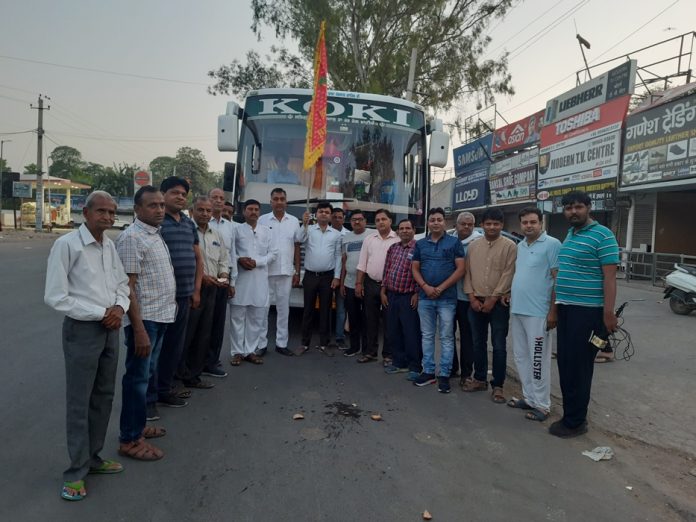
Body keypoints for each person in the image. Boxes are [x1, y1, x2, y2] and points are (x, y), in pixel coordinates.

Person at [44, 190, 130, 501]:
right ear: (86, 212)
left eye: (112, 212)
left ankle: (93, 458)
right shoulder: (67, 245)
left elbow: (122, 284)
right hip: (83, 330)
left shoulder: (109, 246)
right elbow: (56, 296)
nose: (107, 217)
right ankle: (75, 472)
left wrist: (119, 308)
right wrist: (101, 314)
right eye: (102, 211)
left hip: (110, 328)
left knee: (104, 395)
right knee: (80, 401)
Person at [550, 191, 619, 438]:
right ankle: (570, 415)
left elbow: (610, 278)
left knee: (579, 367)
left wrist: (608, 314)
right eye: (568, 208)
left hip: (588, 312)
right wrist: (556, 309)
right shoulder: (571, 234)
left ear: (589, 208)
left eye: (578, 207)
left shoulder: (603, 236)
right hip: (567, 309)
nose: (573, 212)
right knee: (566, 363)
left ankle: (576, 422)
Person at [115, 186, 175, 462]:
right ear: (137, 209)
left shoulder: (153, 233)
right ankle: (129, 439)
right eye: (153, 205)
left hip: (160, 316)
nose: (160, 209)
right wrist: (138, 329)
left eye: (162, 205)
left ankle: (138, 426)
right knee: (137, 380)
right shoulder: (132, 238)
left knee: (146, 376)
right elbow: (128, 288)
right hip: (145, 321)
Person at [507, 207, 561, 422]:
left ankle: (542, 405)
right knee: (521, 357)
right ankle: (529, 398)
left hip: (539, 313)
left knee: (538, 360)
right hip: (518, 310)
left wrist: (553, 311)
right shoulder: (520, 246)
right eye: (525, 223)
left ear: (541, 223)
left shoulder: (552, 245)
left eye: (533, 222)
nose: (529, 226)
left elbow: (557, 279)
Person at [157, 176, 203, 408]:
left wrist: (196, 290)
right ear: (163, 194)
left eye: (184, 194)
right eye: (175, 192)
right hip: (161, 298)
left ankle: (165, 389)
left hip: (184, 296)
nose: (180, 197)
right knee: (157, 347)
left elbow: (198, 257)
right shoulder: (156, 221)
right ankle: (150, 394)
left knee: (175, 346)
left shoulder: (188, 223)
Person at [463, 207, 517, 403]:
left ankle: (498, 385)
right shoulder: (473, 246)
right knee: (478, 343)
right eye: (488, 223)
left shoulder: (510, 246)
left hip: (498, 303)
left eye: (496, 224)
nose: (492, 227)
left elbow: (508, 274)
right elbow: (466, 273)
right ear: (482, 225)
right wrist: (472, 298)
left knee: (499, 345)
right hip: (475, 302)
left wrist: (493, 299)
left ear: (502, 225)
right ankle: (479, 379)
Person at [411, 207, 466, 393]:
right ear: (428, 223)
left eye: (439, 219)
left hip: (447, 299)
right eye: (432, 219)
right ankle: (428, 372)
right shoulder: (420, 244)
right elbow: (415, 268)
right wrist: (425, 287)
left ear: (445, 222)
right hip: (425, 298)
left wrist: (441, 288)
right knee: (426, 335)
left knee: (446, 337)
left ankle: (444, 374)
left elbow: (460, 269)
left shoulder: (454, 242)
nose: (436, 222)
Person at [179, 196, 230, 388]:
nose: (205, 214)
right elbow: (186, 261)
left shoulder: (216, 234)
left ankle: (194, 373)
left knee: (205, 333)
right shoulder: (187, 231)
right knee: (187, 334)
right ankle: (179, 372)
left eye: (208, 211)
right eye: (201, 210)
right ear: (192, 211)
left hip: (213, 289)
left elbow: (223, 259)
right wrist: (201, 279)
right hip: (192, 288)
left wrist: (224, 275)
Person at [258, 188, 306, 357]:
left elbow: (298, 246)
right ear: (270, 201)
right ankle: (261, 344)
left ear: (286, 202)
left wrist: (297, 272)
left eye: (282, 199)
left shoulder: (293, 221)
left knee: (283, 309)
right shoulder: (262, 220)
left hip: (286, 271)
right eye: (276, 199)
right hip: (266, 271)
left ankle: (281, 343)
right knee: (263, 309)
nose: (279, 202)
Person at [229, 199, 277, 366]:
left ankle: (250, 351)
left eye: (256, 209)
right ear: (244, 212)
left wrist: (257, 262)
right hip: (240, 279)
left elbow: (273, 254)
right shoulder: (236, 230)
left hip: (259, 280)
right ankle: (237, 352)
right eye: (250, 209)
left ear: (260, 212)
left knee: (256, 318)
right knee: (237, 318)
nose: (254, 212)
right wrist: (239, 260)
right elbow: (229, 252)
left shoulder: (267, 231)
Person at [297, 201, 342, 356]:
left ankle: (324, 343)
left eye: (327, 212)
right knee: (307, 310)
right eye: (321, 211)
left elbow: (337, 256)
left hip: (327, 277)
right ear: (316, 214)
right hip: (310, 276)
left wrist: (336, 277)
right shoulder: (308, 229)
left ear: (330, 216)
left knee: (326, 310)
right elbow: (299, 239)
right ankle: (304, 343)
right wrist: (304, 224)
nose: (324, 214)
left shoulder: (336, 234)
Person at [355, 208, 399, 364]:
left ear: (390, 221)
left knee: (389, 321)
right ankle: (370, 352)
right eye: (378, 220)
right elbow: (362, 262)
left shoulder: (397, 239)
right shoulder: (369, 239)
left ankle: (388, 354)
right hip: (370, 283)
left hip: (390, 287)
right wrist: (359, 283)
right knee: (369, 320)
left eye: (384, 219)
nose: (381, 222)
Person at [380, 219, 422, 380]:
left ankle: (415, 366)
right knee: (393, 331)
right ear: (398, 231)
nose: (404, 231)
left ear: (413, 230)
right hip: (391, 295)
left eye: (408, 228)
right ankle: (399, 363)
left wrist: (417, 293)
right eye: (401, 228)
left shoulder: (419, 248)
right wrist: (383, 291)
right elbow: (387, 269)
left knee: (411, 332)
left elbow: (421, 271)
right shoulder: (393, 248)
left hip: (408, 297)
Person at [204, 188, 237, 378]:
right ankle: (195, 363)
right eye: (214, 197)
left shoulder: (231, 227)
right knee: (201, 325)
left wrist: (230, 281)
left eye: (221, 199)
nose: (218, 201)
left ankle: (212, 361)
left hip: (222, 281)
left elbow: (231, 256)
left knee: (217, 324)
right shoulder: (199, 223)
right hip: (203, 281)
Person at [452, 211, 482, 383]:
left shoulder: (477, 243)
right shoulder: (449, 240)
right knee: (447, 335)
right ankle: (452, 368)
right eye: (463, 223)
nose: (466, 227)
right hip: (449, 297)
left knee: (467, 337)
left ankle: (466, 373)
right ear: (456, 224)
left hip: (467, 298)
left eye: (470, 224)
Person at [340, 209, 371, 357]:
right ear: (350, 222)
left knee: (366, 317)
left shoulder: (372, 235)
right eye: (354, 219)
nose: (357, 222)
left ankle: (366, 348)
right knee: (352, 316)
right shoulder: (346, 238)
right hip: (349, 283)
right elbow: (344, 261)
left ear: (365, 220)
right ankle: (354, 346)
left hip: (366, 284)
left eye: (360, 219)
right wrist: (341, 284)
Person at [331, 207, 348, 348]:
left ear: (344, 219)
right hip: (325, 274)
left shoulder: (348, 235)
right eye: (334, 217)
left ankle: (339, 336)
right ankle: (324, 336)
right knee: (324, 307)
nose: (337, 219)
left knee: (341, 308)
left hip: (342, 276)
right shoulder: (324, 231)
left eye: (340, 217)